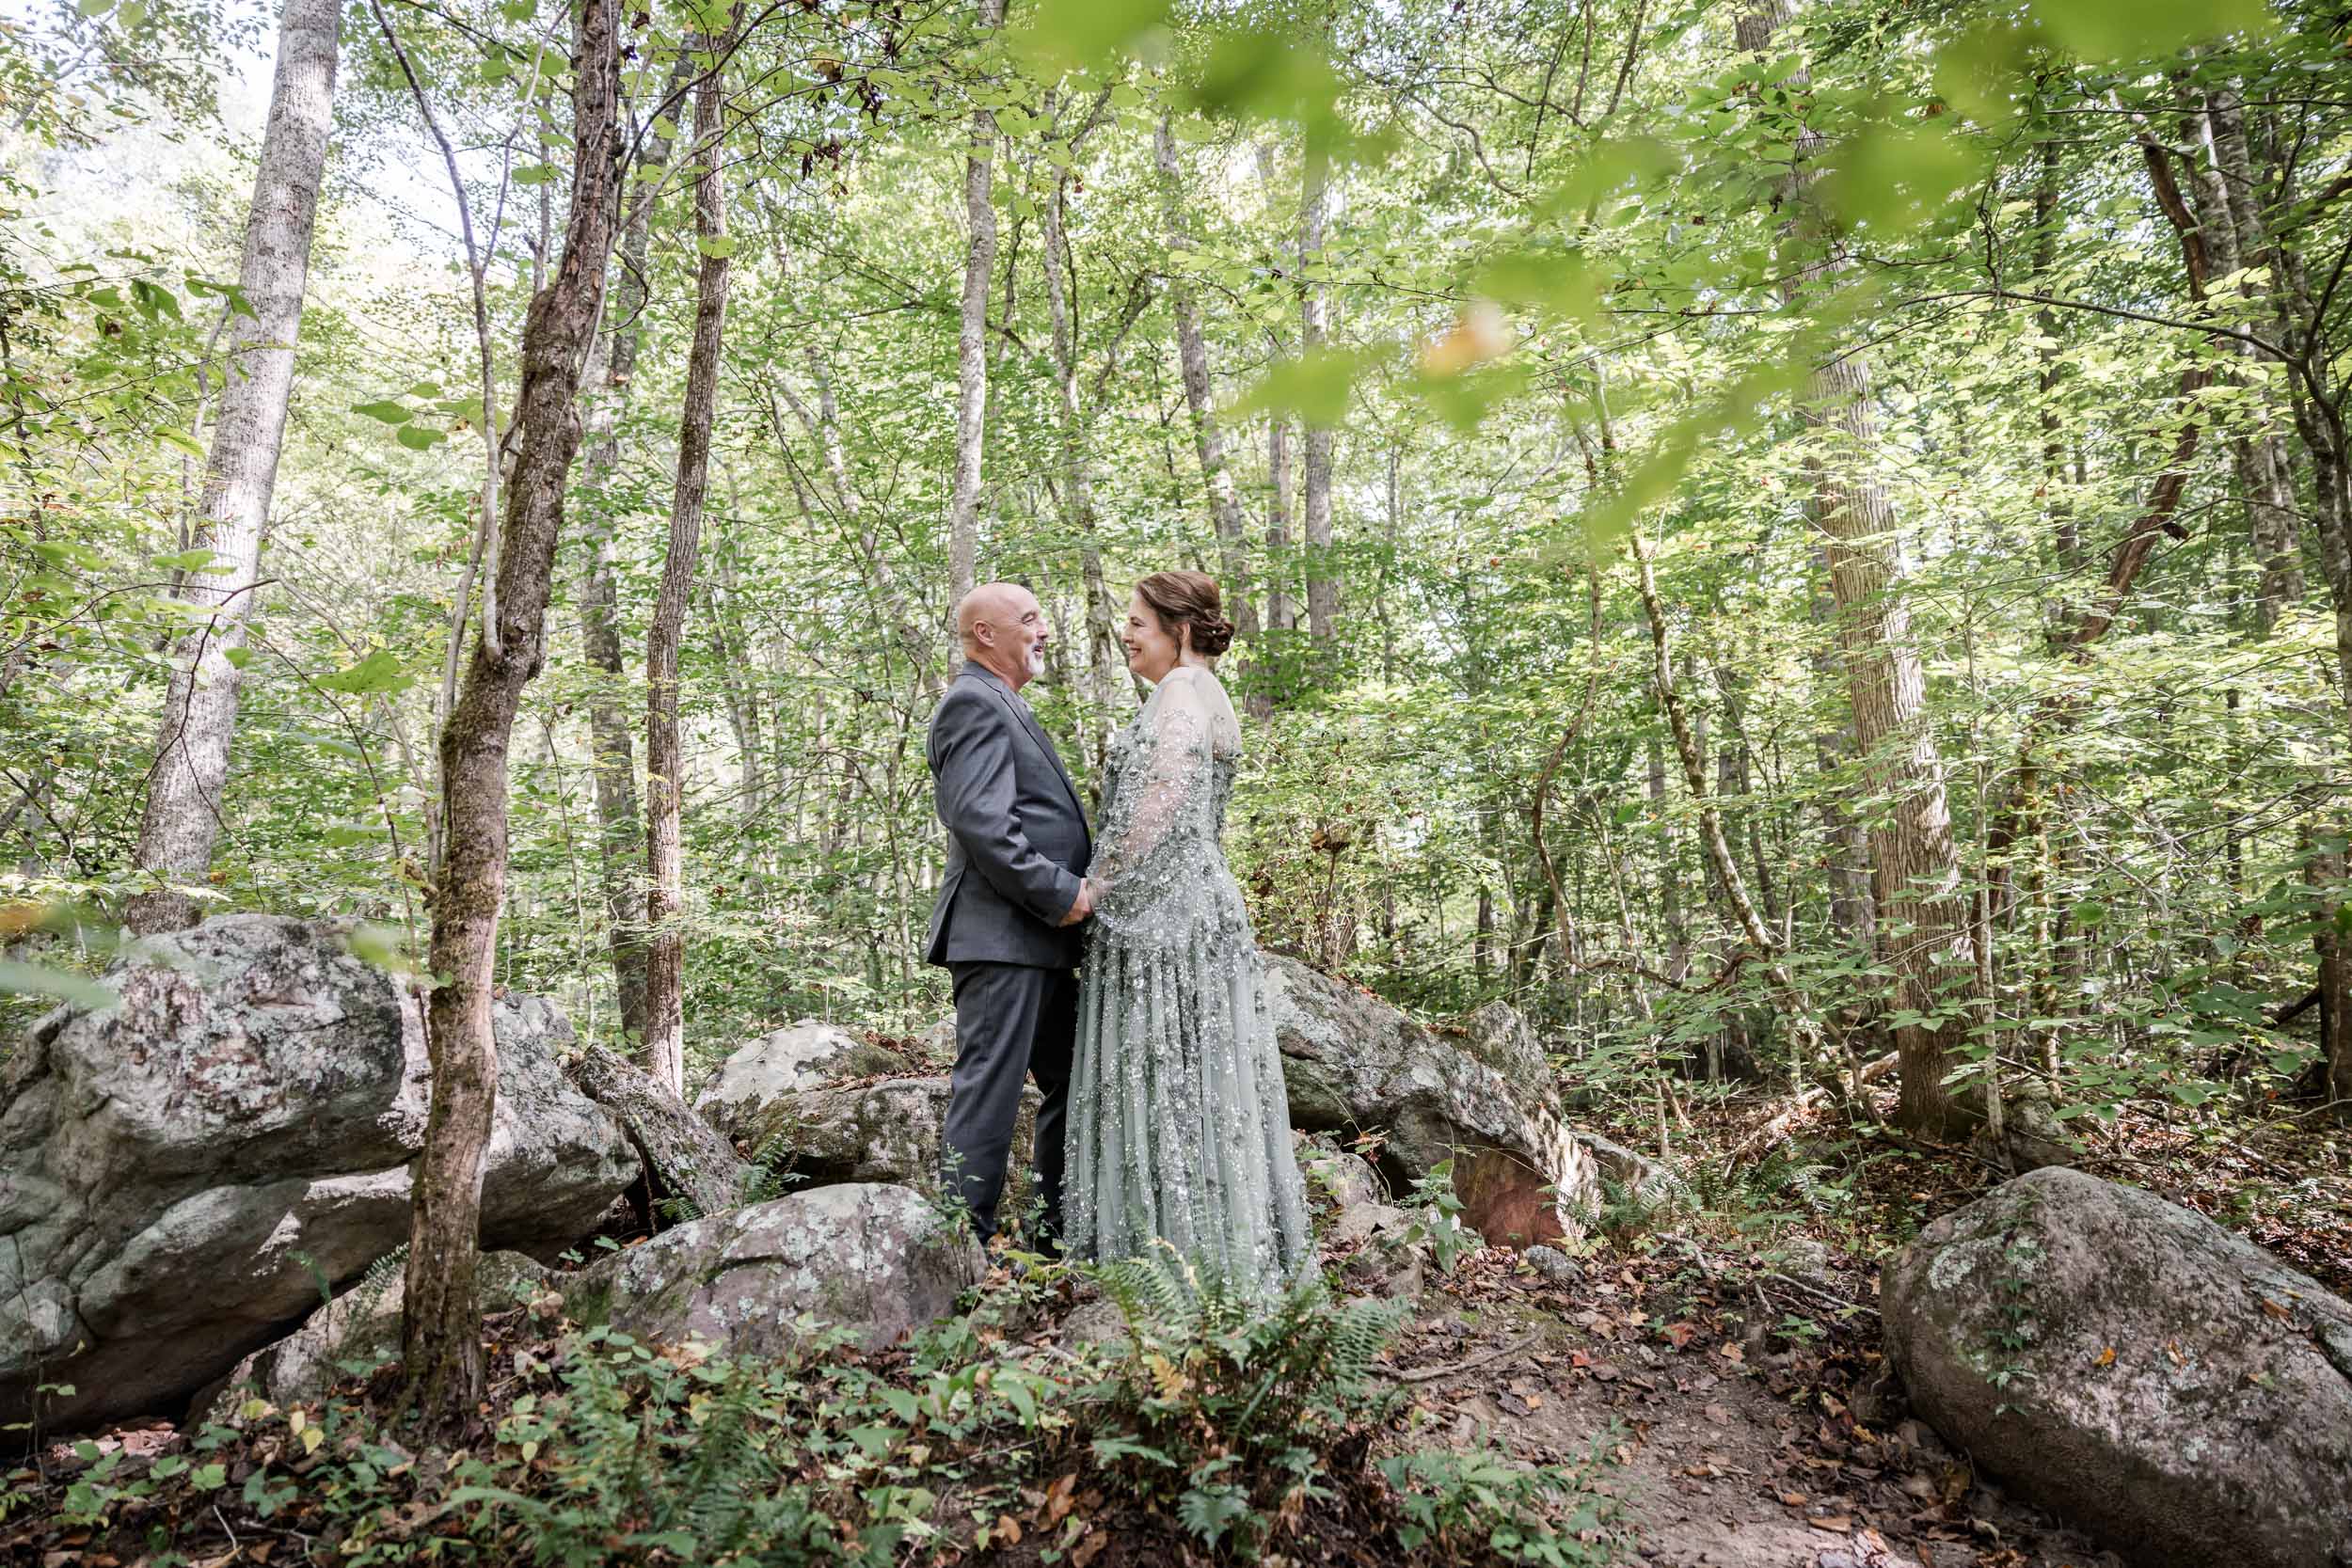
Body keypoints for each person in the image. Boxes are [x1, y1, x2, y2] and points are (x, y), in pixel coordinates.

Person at [1062, 570, 1311, 1293]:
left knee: (1163, 1073)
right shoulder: (1212, 694)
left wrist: (1099, 879)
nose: (1126, 634)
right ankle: (1217, 1256)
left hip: (1164, 919)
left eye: (1138, 622)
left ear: (1178, 628)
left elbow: (1168, 786)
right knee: (1200, 1084)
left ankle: (1164, 1271)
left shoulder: (1178, 691)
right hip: (1201, 905)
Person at [925, 581, 1093, 1250]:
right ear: (985, 635)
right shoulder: (972, 701)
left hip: (1039, 941)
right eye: (1028, 618)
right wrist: (1061, 891)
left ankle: (1049, 1237)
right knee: (989, 1092)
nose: (1044, 629)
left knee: (1075, 1073)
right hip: (1003, 938)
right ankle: (957, 1252)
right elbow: (981, 822)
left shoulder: (1006, 701)